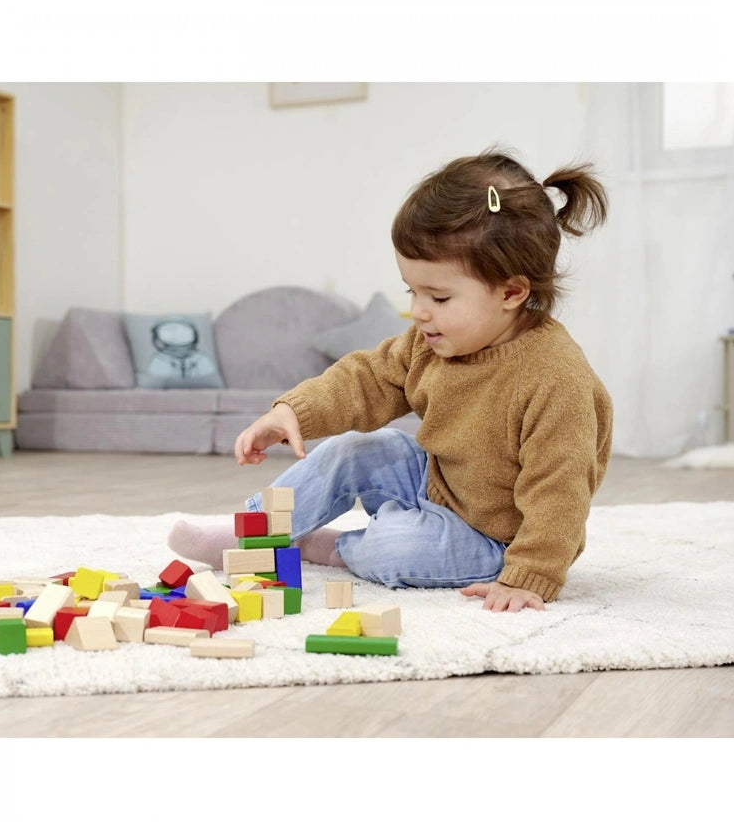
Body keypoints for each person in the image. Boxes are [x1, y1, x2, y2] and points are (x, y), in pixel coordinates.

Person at [168, 148, 613, 611]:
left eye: (438, 297)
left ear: (512, 292)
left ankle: (325, 547)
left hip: (495, 539)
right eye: (412, 291)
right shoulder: (432, 341)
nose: (419, 311)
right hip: (436, 482)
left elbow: (559, 492)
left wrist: (531, 574)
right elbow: (370, 378)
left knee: (394, 548)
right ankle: (251, 532)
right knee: (352, 448)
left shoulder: (555, 380)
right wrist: (293, 411)